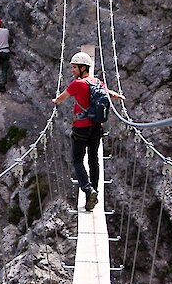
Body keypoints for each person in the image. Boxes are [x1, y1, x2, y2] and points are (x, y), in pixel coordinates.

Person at [52, 51, 125, 211]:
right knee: (94, 160)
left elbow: (61, 98)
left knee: (77, 160)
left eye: (74, 67)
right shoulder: (97, 82)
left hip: (81, 127)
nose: (72, 70)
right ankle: (94, 193)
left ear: (82, 68)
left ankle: (87, 189)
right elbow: (109, 94)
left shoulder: (77, 84)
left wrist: (55, 101)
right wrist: (118, 97)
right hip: (96, 127)